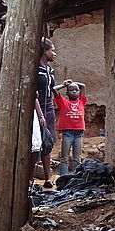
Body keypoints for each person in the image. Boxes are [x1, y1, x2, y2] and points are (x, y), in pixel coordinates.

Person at [36, 37, 58, 187]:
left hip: (49, 108)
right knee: (35, 143)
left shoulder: (50, 71)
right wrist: (40, 115)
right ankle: (31, 176)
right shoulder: (35, 70)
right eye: (52, 50)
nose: (55, 54)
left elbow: (51, 90)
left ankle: (48, 177)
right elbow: (33, 95)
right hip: (38, 110)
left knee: (47, 143)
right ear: (45, 52)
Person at [54, 80, 88, 175]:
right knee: (64, 157)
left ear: (79, 92)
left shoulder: (81, 101)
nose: (74, 92)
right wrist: (64, 84)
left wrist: (73, 82)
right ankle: (63, 177)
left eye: (76, 90)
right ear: (67, 93)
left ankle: (76, 178)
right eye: (71, 90)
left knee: (77, 158)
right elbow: (54, 89)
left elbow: (83, 85)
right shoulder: (63, 102)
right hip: (67, 133)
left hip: (79, 134)